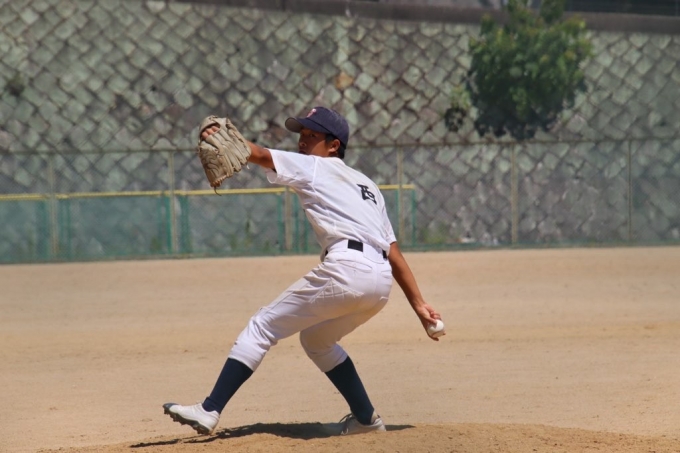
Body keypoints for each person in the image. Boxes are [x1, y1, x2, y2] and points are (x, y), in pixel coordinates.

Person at [163, 106, 443, 436]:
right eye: (301, 134)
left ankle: (210, 408)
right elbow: (392, 251)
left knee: (262, 326)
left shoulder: (314, 166)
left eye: (312, 135)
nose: (302, 141)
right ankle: (367, 421)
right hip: (379, 284)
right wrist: (419, 304)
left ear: (333, 145)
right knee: (317, 340)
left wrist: (220, 135)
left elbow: (258, 154)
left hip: (347, 270)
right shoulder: (368, 186)